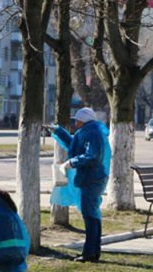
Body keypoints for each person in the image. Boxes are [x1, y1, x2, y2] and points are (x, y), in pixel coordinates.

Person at [46, 107, 111, 263]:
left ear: (83, 120)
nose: (75, 122)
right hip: (91, 177)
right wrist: (58, 131)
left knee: (90, 216)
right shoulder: (89, 132)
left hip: (92, 178)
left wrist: (72, 162)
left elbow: (93, 156)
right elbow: (74, 145)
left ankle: (90, 253)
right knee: (92, 215)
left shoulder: (93, 133)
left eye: (77, 120)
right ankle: (93, 251)